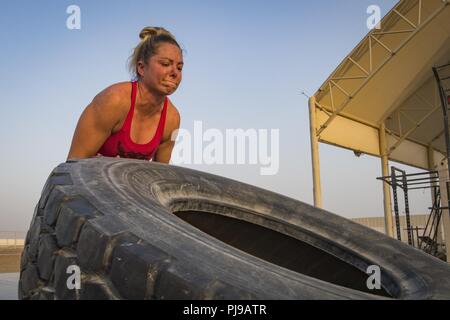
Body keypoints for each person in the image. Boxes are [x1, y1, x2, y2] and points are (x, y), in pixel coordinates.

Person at [67, 26, 182, 163]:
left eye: (180, 67)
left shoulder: (171, 119)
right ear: (141, 68)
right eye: (165, 64)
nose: (175, 72)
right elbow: (73, 166)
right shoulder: (113, 100)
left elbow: (159, 177)